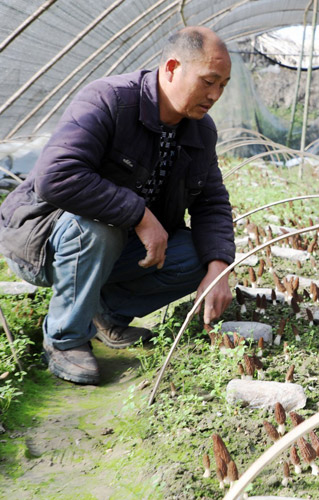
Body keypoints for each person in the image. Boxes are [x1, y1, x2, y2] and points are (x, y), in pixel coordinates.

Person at [0, 26, 236, 385]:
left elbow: (212, 201)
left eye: (223, 85)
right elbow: (56, 176)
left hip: (114, 248)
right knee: (99, 225)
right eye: (209, 81)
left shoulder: (200, 131)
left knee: (198, 257)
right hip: (45, 242)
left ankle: (106, 316)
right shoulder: (109, 99)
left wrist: (219, 268)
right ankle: (64, 338)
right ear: (172, 67)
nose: (216, 94)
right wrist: (139, 215)